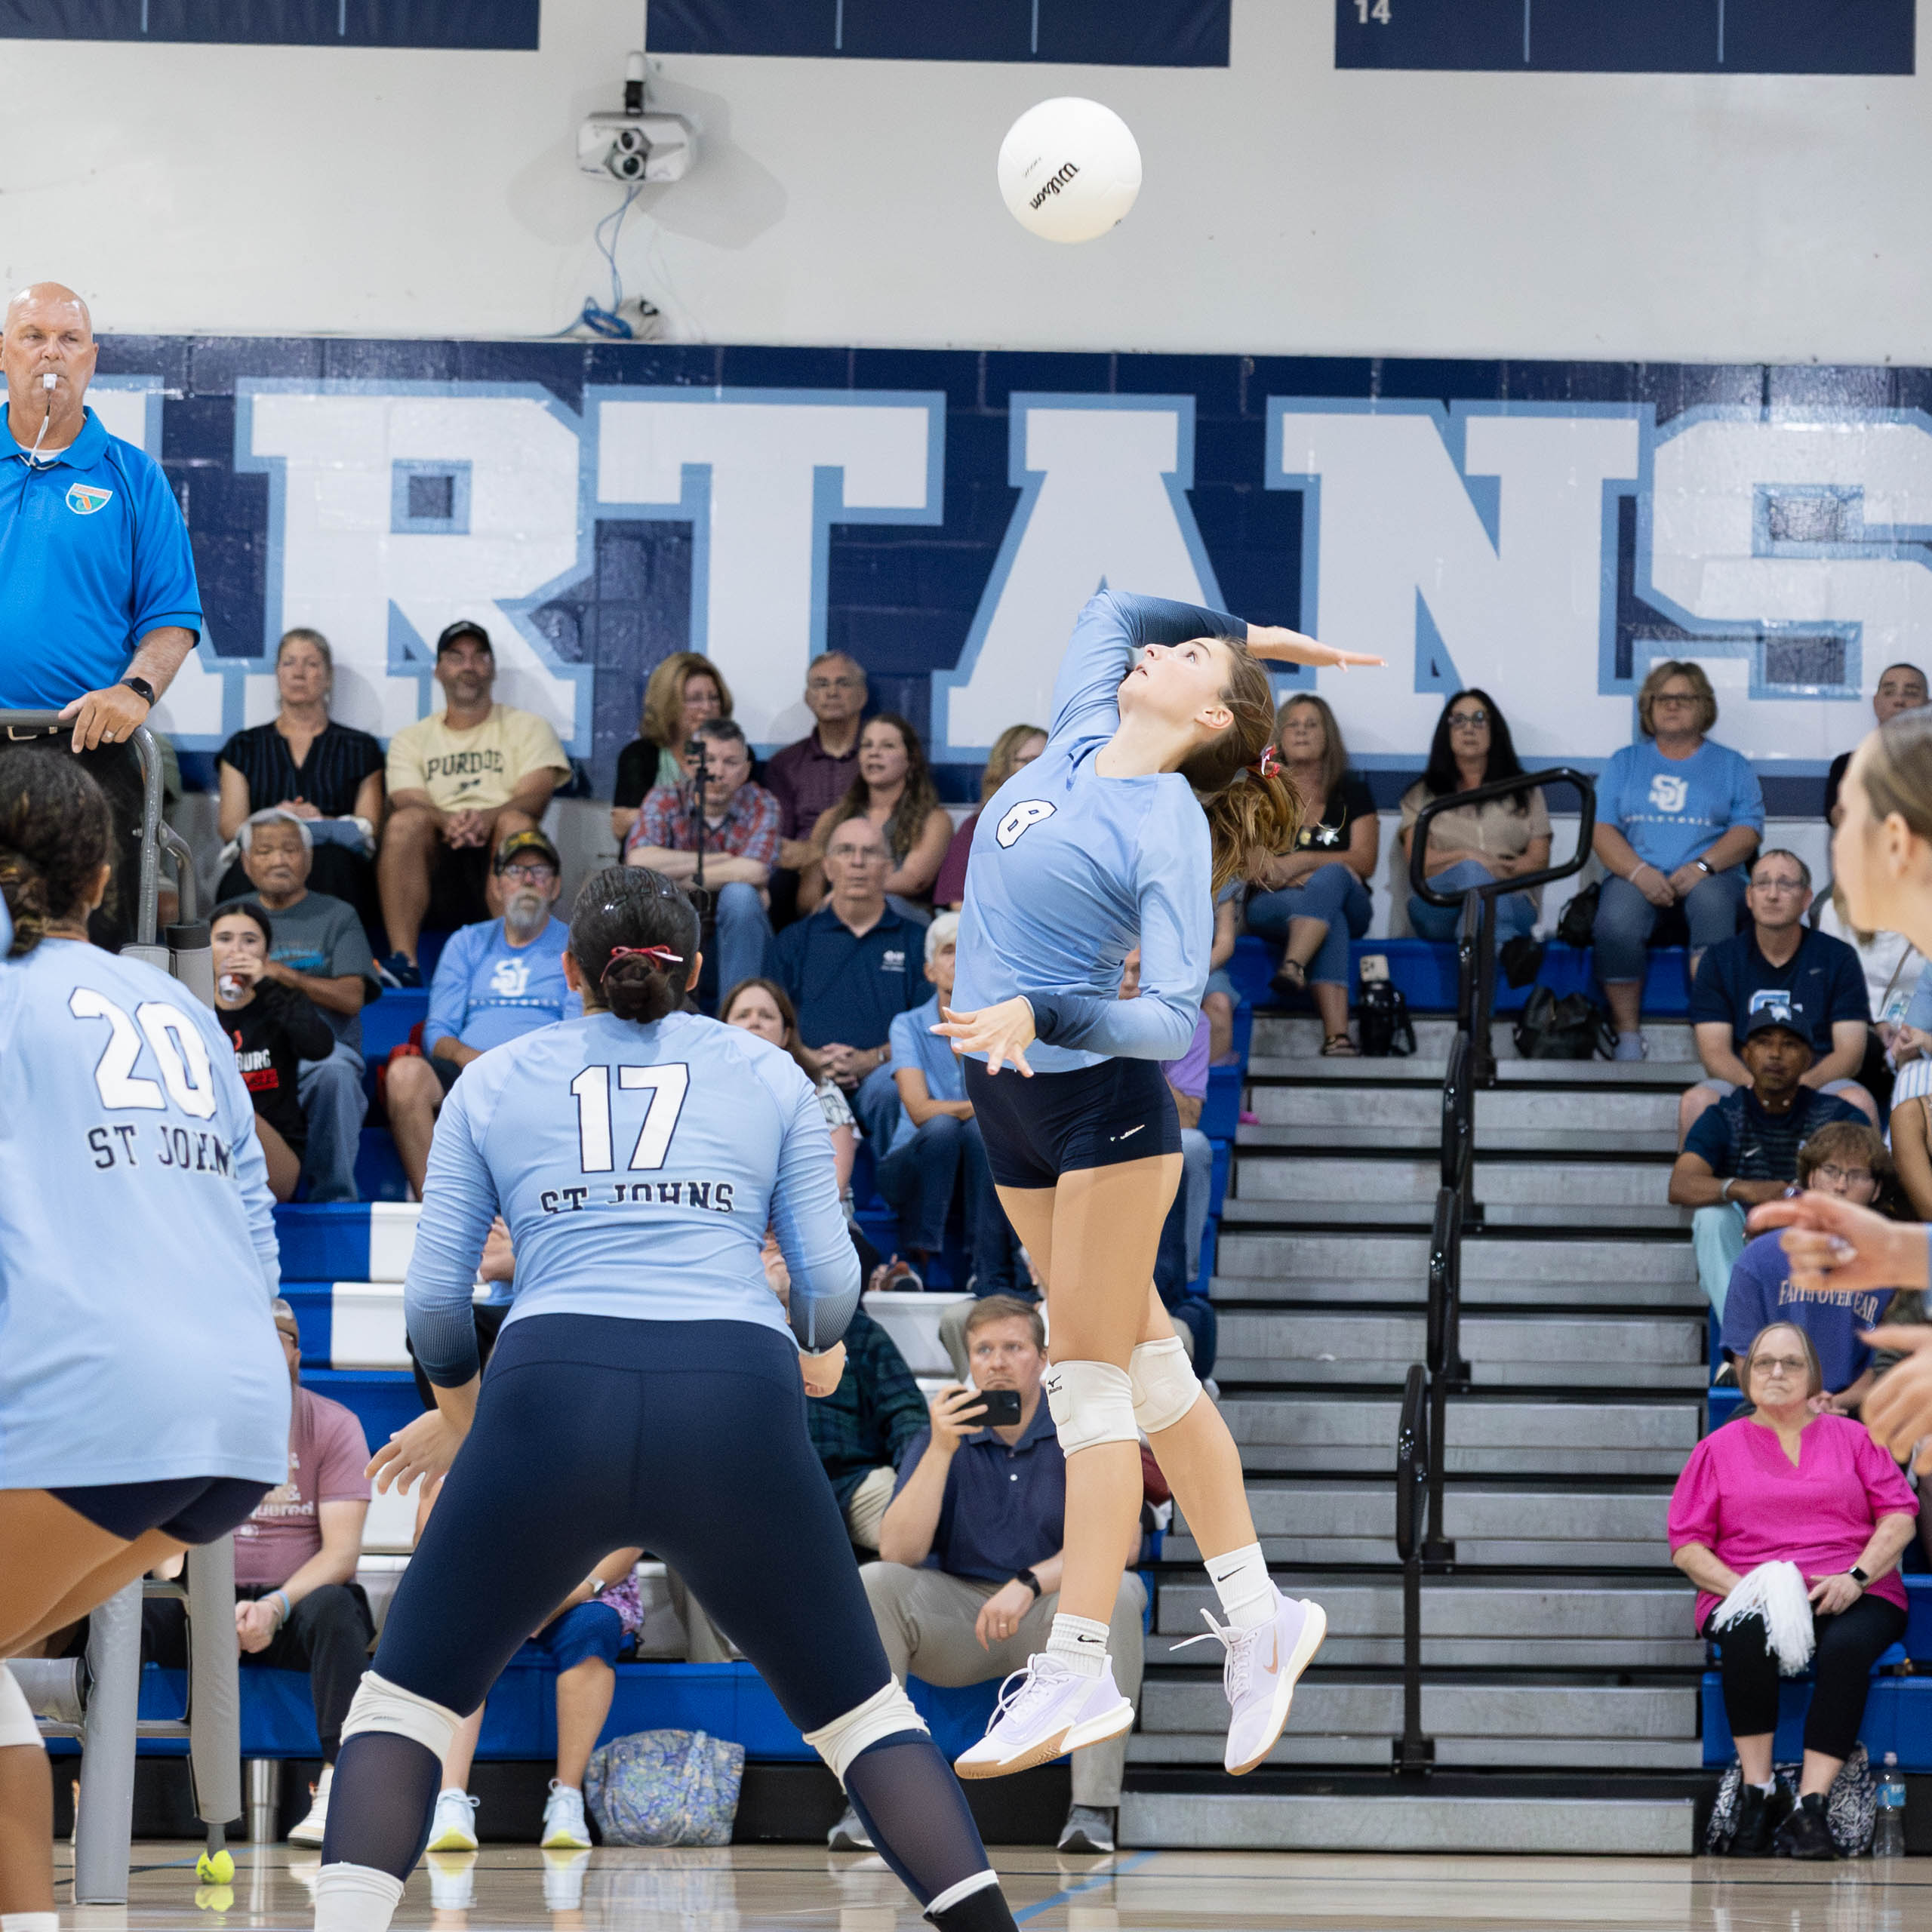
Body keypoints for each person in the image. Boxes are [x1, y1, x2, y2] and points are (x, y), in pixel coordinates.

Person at [307, 866, 1026, 1932]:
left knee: (404, 1704)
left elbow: (433, 1308)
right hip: (732, 1396)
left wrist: (464, 1417)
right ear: (695, 973)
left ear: (570, 972)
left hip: (552, 1391)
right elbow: (830, 1283)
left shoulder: (496, 1078)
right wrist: (820, 1348)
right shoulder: (768, 1072)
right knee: (864, 1717)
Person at [937, 586, 1377, 1782]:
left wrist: (1047, 1011)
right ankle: (1262, 1613)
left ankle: (1077, 1661)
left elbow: (1173, 1016)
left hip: (1103, 1109)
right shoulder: (1086, 723)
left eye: (1189, 658)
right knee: (1153, 1373)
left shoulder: (1168, 823)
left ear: (1209, 719)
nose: (1161, 650)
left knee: (1085, 1388)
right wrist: (1246, 636)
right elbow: (1114, 603)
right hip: (1007, 1098)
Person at [0, 749, 287, 1930]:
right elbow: (252, 1208)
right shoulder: (176, 1004)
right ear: (106, 877)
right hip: (241, 1407)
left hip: (98, 1395)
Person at [854, 1297, 1146, 1858]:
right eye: (984, 1350)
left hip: (1052, 1618)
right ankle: (871, 1801)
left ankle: (1092, 1807)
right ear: (969, 1361)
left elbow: (1123, 1545)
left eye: (1013, 1347)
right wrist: (940, 1450)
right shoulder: (944, 1431)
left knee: (1120, 1592)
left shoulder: (1077, 1427)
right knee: (876, 1584)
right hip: (960, 1620)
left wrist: (1030, 1582)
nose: (997, 1362)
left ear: (1042, 1358)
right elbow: (898, 1550)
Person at [0, 284, 204, 951]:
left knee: (97, 941)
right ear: (3, 353)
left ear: (91, 359)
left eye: (69, 339)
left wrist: (135, 689)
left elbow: (172, 618)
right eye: (33, 336)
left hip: (89, 750)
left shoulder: (135, 478)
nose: (50, 352)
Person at [1669, 1323, 1916, 1860]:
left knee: (1847, 1647)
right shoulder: (1715, 1449)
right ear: (1746, 1374)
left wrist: (1856, 1577)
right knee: (1746, 1635)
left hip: (1851, 1587)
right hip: (1748, 1586)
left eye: (1791, 1363)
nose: (1776, 1372)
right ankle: (1758, 1795)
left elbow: (1899, 1517)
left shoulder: (1856, 1438)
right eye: (1764, 1362)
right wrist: (1750, 1591)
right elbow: (1687, 1545)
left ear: (1813, 1377)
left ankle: (1811, 1807)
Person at [146, 1300, 373, 1848]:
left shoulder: (334, 1424)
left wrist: (275, 1606)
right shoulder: (196, 1424)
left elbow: (341, 1554)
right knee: (130, 1607)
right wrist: (201, 1605)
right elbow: (163, 1541)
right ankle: (96, 1780)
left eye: (279, 1339)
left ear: (297, 1353)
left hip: (292, 1607)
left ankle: (339, 1783)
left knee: (339, 1607)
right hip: (202, 1598)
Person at [417, 1485, 645, 1854]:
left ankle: (567, 1799)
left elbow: (626, 1546)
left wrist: (561, 1599)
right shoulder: (467, 1457)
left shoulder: (612, 1460)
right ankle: (450, 1801)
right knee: (458, 1630)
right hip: (487, 1593)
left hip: (581, 1593)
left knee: (594, 1627)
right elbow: (430, 1547)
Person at [384, 830, 580, 1199]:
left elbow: (577, 1031)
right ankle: (441, 1207)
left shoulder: (575, 945)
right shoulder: (466, 942)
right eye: (515, 871)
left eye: (538, 871)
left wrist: (516, 1064)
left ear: (555, 886)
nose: (527, 880)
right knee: (405, 1076)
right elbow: (438, 1031)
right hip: (468, 1071)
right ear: (496, 885)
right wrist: (470, 1059)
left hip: (543, 1073)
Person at [377, 620, 570, 986]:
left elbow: (536, 795)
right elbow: (407, 799)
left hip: (502, 853)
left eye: (479, 656)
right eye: (456, 657)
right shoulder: (411, 738)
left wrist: (486, 818)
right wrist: (450, 822)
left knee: (517, 824)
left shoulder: (529, 727)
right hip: (434, 860)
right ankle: (405, 964)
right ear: (438, 670)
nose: (469, 666)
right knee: (405, 822)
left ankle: (512, 959)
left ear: (492, 668)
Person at [1591, 660, 1764, 1062]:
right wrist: (1639, 872)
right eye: (1662, 698)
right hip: (1637, 875)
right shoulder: (1624, 762)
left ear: (1704, 706)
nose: (1672, 706)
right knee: (1615, 922)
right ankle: (1628, 1038)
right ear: (1648, 707)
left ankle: (1712, 1035)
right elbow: (1601, 830)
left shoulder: (1732, 765)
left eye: (1684, 698)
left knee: (1712, 904)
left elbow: (1748, 830)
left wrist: (1703, 867)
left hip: (1712, 877)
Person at [1667, 1004, 1866, 1317]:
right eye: (1763, 1042)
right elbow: (1681, 1185)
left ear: (1808, 1059)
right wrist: (1745, 1189)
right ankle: (1743, 1334)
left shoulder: (1836, 1116)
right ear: (1746, 1055)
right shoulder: (1725, 1115)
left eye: (1789, 1044)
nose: (1775, 1054)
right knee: (1711, 1219)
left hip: (1812, 1241)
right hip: (1744, 1242)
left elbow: (1866, 1184)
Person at [1681, 850, 1876, 1143]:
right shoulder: (1719, 960)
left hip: (1816, 1084)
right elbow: (1715, 1053)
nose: (1773, 895)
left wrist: (1799, 1089)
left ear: (1806, 898)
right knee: (1696, 1102)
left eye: (1785, 884)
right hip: (1743, 1084)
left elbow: (1850, 1053)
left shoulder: (1838, 957)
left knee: (1858, 1101)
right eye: (1762, 884)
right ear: (1749, 897)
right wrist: (1760, 1090)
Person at [877, 914, 1025, 1294]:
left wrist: (980, 1113)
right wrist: (981, 1107)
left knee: (980, 1132)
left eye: (969, 950)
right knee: (944, 1129)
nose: (959, 959)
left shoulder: (1002, 1025)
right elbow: (919, 1110)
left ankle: (984, 1266)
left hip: (979, 1157)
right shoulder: (907, 1025)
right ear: (929, 971)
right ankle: (921, 1264)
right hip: (912, 1162)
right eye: (948, 951)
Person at [239, 808, 380, 1204]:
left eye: (290, 850)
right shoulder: (233, 918)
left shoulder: (337, 916)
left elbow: (352, 997)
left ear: (309, 859)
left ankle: (332, 1199)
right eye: (265, 851)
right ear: (246, 863)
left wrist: (285, 976)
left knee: (334, 1072)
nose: (279, 860)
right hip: (250, 1052)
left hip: (322, 1052)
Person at [765, 815, 926, 1153]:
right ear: (827, 867)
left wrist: (875, 1057)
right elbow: (770, 1020)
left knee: (892, 1087)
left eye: (870, 852)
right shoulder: (793, 941)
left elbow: (929, 1026)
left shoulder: (917, 942)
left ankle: (894, 1186)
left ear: (888, 868)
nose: (857, 862)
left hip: (883, 1077)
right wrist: (807, 1058)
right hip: (807, 1074)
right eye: (845, 850)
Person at [761, 1238, 927, 1552]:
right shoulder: (727, 1335)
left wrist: (913, 1478)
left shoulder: (857, 1329)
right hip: (756, 1481)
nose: (779, 1253)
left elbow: (907, 1415)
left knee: (917, 1518)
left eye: (786, 1245)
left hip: (854, 1479)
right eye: (768, 1246)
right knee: (699, 1519)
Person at [216, 629, 386, 930]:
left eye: (311, 664)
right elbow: (231, 828)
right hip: (262, 857)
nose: (299, 673)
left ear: (328, 676)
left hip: (335, 864)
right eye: (289, 662)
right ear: (277, 673)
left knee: (335, 864)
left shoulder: (361, 748)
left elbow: (369, 826)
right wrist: (277, 819)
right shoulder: (243, 747)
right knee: (251, 867)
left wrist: (321, 821)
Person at [1720, 1124, 1897, 1410]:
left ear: (1876, 1190)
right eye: (1831, 1171)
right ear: (1811, 1178)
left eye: (1857, 1175)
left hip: (1856, 1408)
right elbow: (1745, 1358)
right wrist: (1794, 1409)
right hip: (1772, 1405)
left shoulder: (1893, 1267)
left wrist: (1832, 1403)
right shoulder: (1758, 1260)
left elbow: (1884, 1367)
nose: (1841, 1186)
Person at [1241, 693, 1378, 1055]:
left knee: (1333, 877)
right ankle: (1337, 1037)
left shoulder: (1352, 791)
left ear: (1327, 735)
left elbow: (1364, 861)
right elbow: (1258, 870)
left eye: (1312, 724)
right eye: (1293, 725)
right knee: (1330, 913)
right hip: (1272, 903)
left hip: (1351, 900)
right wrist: (1317, 875)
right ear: (1279, 738)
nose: (1301, 731)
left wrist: (1300, 864)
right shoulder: (1261, 794)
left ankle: (1294, 963)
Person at [623, 718, 782, 1001]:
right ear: (689, 765)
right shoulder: (663, 798)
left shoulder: (762, 803)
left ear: (746, 771)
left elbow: (756, 870)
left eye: (730, 762)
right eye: (708, 760)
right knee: (658, 900)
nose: (717, 772)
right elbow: (638, 860)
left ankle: (738, 1016)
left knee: (742, 897)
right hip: (674, 926)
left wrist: (681, 879)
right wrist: (725, 859)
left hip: (735, 933)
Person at [1398, 690, 1551, 953]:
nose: (1469, 728)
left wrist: (1495, 871)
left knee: (1481, 896)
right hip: (1439, 905)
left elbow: (1539, 859)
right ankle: (1499, 951)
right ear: (1446, 731)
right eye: (1459, 720)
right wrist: (1470, 859)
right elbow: (1419, 861)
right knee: (1471, 872)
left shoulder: (1526, 791)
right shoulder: (1421, 795)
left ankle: (1476, 961)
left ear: (1494, 729)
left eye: (1479, 719)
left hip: (1511, 899)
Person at [211, 900, 337, 1201]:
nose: (236, 951)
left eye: (249, 941)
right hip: (209, 1146)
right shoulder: (191, 1007)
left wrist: (267, 985)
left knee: (235, 1104)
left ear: (266, 956)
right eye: (224, 939)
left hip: (276, 1153)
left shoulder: (281, 1001)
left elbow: (320, 1048)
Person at [721, 976, 860, 1214]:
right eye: (743, 1015)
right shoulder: (705, 1092)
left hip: (816, 1222)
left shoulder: (819, 1089)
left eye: (766, 1016)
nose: (754, 1023)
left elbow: (833, 1184)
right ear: (722, 1030)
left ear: (786, 1035)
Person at [799, 714, 953, 919]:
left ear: (911, 759)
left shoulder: (934, 819)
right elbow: (808, 897)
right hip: (836, 919)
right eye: (867, 745)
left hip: (902, 920)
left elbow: (914, 880)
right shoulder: (831, 819)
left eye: (887, 746)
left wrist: (851, 892)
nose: (874, 753)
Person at [764, 651, 869, 874]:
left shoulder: (879, 757)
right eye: (821, 684)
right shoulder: (784, 764)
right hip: (800, 873)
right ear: (808, 699)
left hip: (866, 863)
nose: (832, 692)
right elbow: (782, 844)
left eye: (843, 683)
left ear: (862, 695)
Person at [611, 650, 731, 834]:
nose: (707, 708)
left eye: (714, 698)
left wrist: (656, 814)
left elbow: (746, 821)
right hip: (655, 852)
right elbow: (622, 828)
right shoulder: (640, 755)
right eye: (695, 699)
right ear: (668, 704)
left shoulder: (738, 756)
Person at [934, 724, 1048, 912]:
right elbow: (958, 901)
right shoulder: (977, 826)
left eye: (1046, 760)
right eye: (1028, 761)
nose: (1038, 768)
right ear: (1003, 768)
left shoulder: (1071, 824)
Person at [1826, 662, 1927, 826]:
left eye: (1911, 693)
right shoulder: (1847, 764)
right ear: (1876, 702)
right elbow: (1842, 819)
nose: (1899, 700)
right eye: (1889, 692)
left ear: (1928, 705)